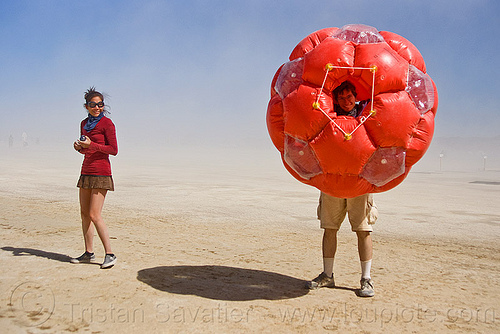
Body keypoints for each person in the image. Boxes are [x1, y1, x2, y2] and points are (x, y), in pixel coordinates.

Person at [306, 81, 378, 297]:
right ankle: (328, 275)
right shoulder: (328, 115)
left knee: (363, 230)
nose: (347, 102)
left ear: (355, 96)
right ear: (336, 99)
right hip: (332, 181)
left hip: (359, 182)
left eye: (350, 97)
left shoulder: (367, 112)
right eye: (342, 98)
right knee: (329, 228)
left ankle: (366, 279)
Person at [71, 87, 118, 269]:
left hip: (101, 172)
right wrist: (80, 147)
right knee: (84, 214)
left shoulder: (107, 124)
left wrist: (93, 144)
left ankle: (110, 254)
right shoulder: (84, 123)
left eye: (100, 105)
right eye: (93, 105)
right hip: (86, 170)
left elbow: (113, 150)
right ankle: (88, 253)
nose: (97, 108)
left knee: (94, 214)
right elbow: (86, 149)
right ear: (86, 106)